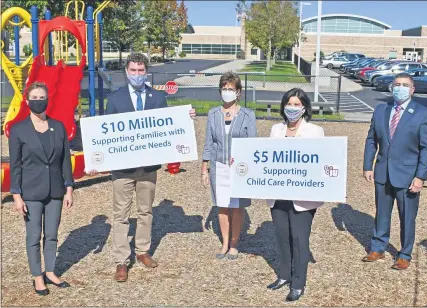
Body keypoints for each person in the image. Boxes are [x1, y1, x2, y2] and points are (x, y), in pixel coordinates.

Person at [88, 53, 195, 282]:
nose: (137, 74)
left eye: (141, 70)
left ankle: (143, 251)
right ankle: (121, 260)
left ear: (146, 72)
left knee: (145, 211)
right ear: (126, 72)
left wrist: (185, 118)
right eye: (133, 70)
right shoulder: (115, 99)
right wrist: (100, 161)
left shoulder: (157, 97)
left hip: (148, 167)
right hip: (122, 170)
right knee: (121, 215)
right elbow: (106, 134)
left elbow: (170, 126)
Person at [362, 73, 427, 270]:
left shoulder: (423, 113)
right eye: (397, 84)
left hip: (408, 176)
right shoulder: (381, 110)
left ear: (412, 90)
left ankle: (404, 254)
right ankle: (378, 247)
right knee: (382, 214)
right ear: (391, 88)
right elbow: (371, 139)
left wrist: (420, 176)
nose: (400, 88)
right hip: (383, 172)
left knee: (407, 217)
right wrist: (368, 166)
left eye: (405, 85)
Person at [8, 81, 74, 296]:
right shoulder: (18, 130)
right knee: (34, 235)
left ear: (48, 100)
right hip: (31, 192)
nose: (39, 101)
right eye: (34, 98)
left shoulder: (58, 126)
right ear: (27, 102)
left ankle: (51, 270)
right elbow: (15, 165)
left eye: (42, 97)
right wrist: (16, 195)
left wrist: (69, 188)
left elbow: (65, 160)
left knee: (52, 234)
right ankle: (37, 276)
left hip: (55, 190)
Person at [265, 88, 324, 302]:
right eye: (289, 104)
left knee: (299, 239)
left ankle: (298, 283)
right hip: (278, 192)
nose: (292, 108)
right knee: (282, 237)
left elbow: (321, 161)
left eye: (297, 104)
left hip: (303, 195)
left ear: (305, 107)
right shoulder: (275, 129)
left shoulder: (315, 131)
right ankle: (284, 275)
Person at [201, 71, 257, 260]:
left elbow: (252, 143)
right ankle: (224, 242)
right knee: (222, 205)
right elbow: (209, 142)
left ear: (238, 92)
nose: (227, 92)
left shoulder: (247, 115)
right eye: (224, 89)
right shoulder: (213, 114)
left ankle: (234, 243)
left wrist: (248, 164)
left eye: (230, 89)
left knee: (237, 206)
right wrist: (204, 168)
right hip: (219, 167)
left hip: (239, 169)